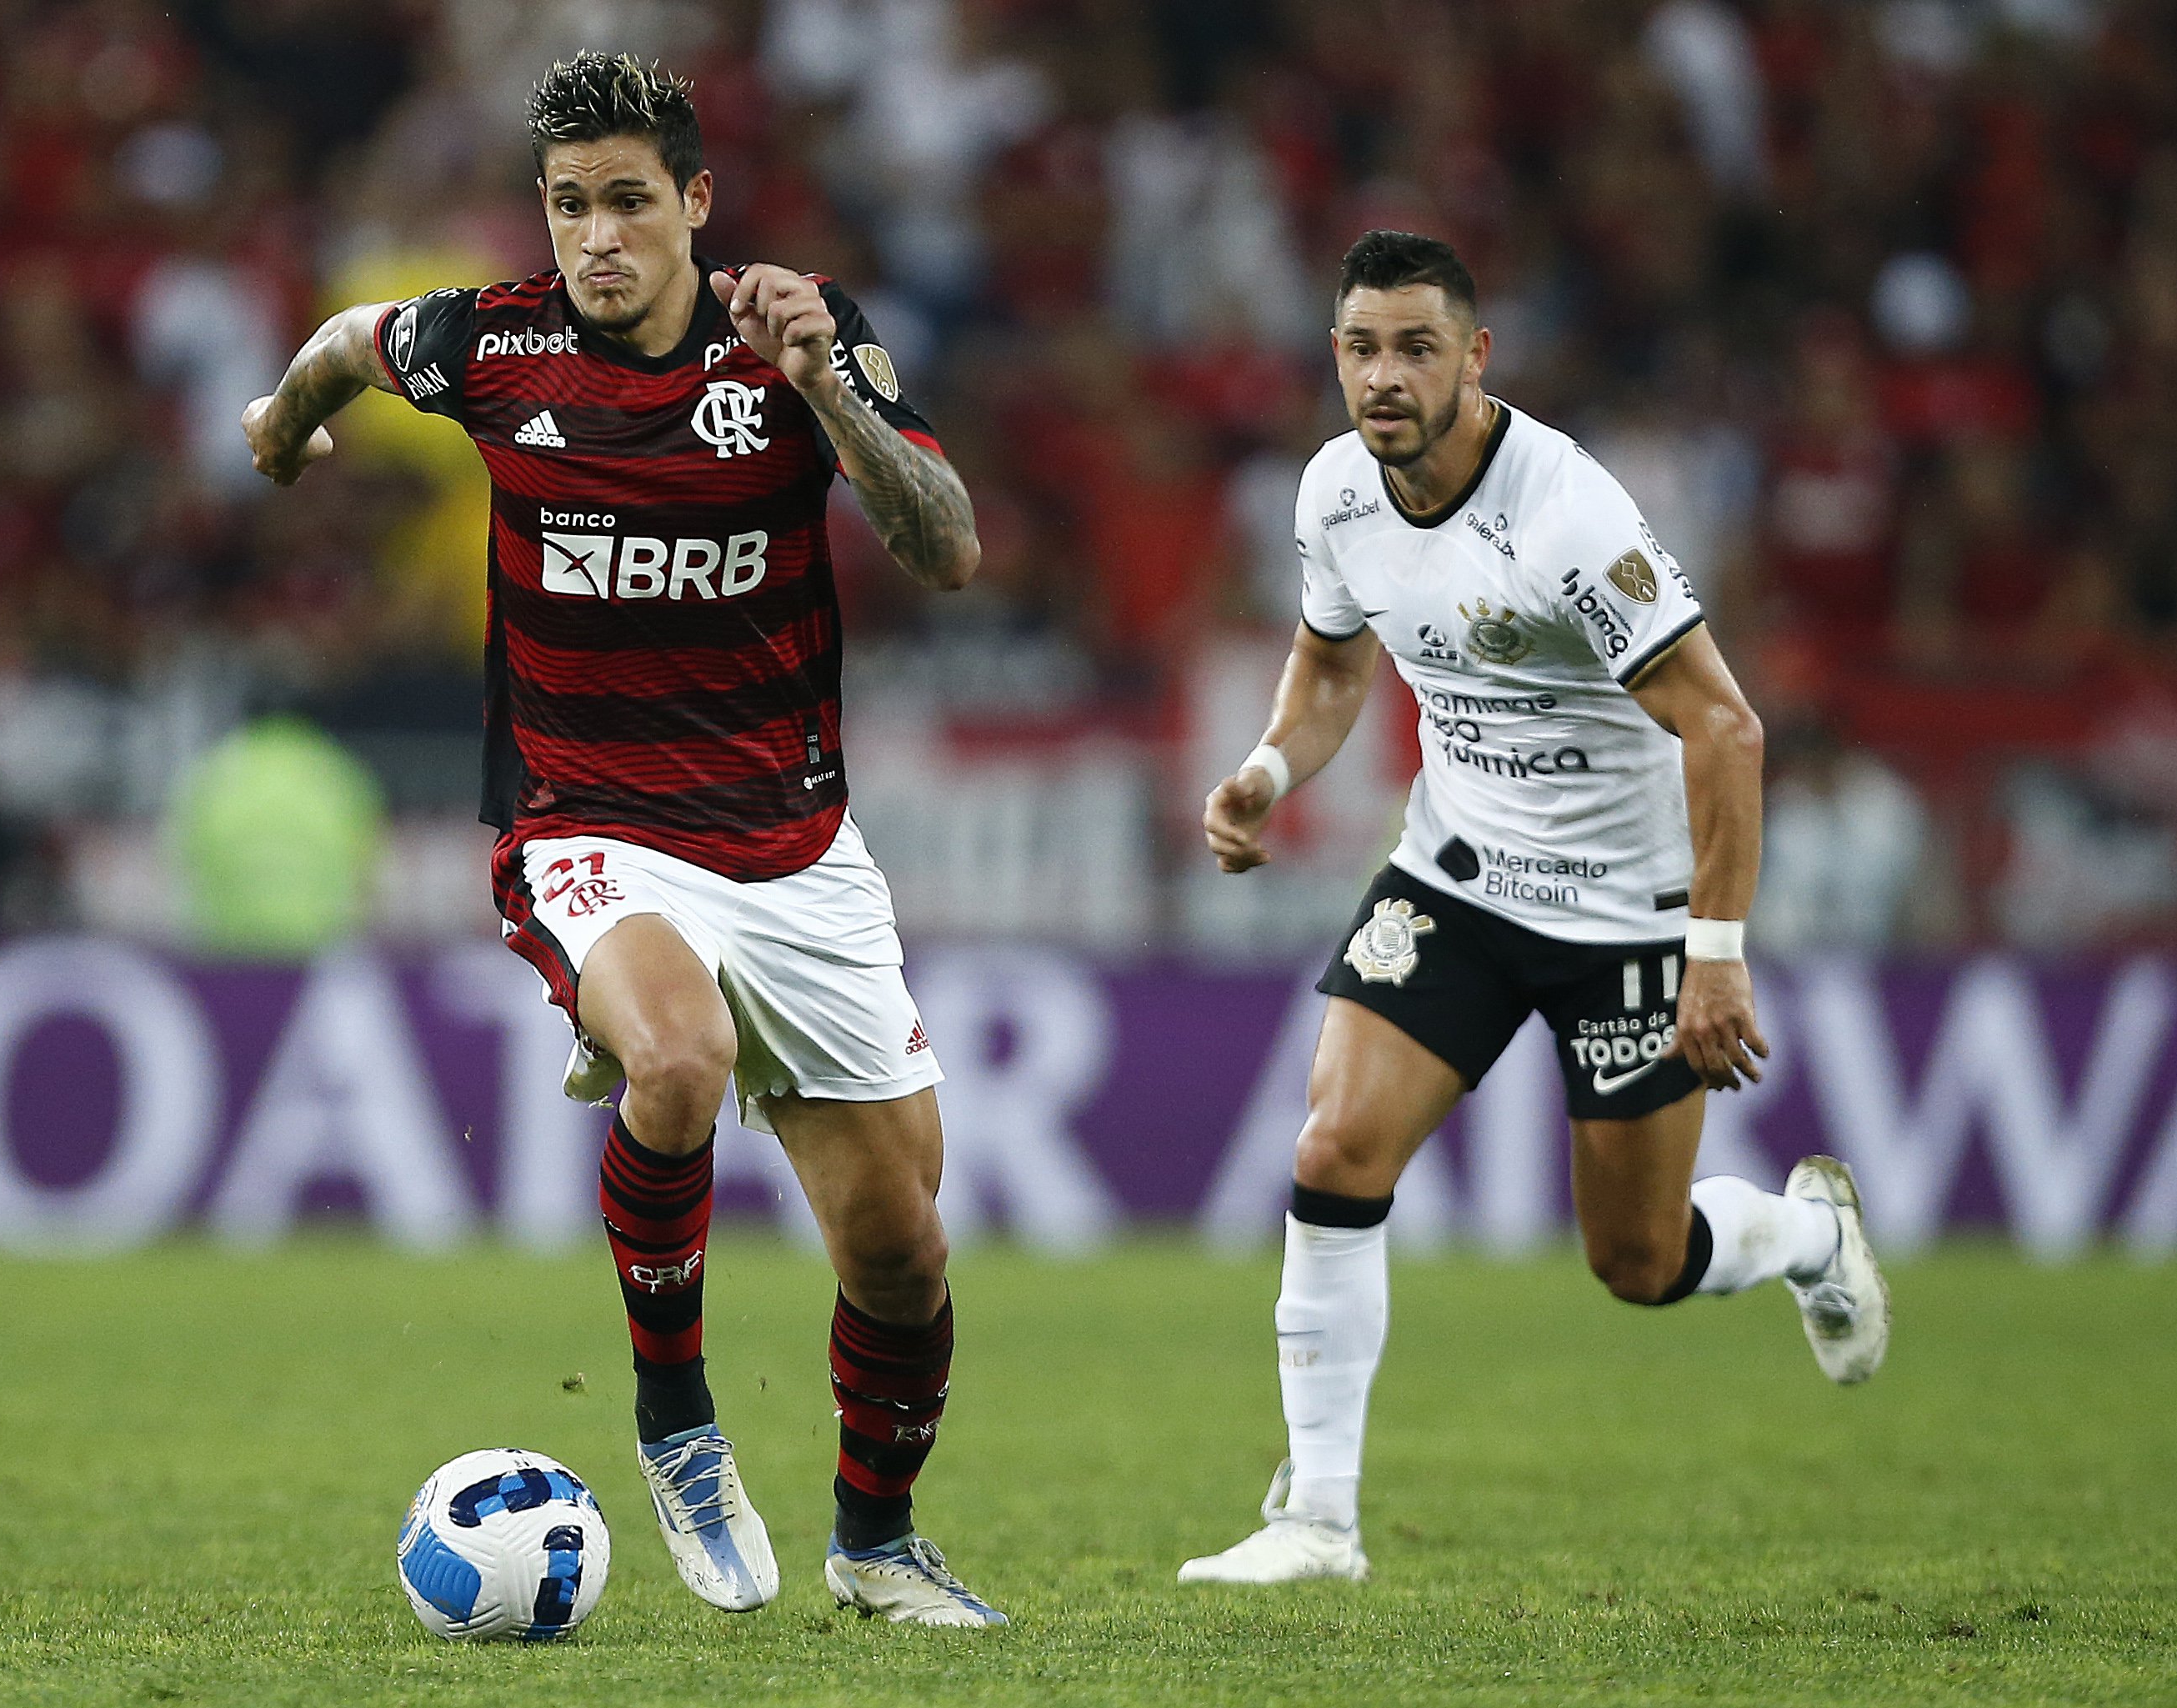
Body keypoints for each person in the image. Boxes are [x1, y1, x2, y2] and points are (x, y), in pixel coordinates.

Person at [241, 53, 1002, 1628]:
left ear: (695, 204)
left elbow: (946, 548)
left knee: (904, 1249)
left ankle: (876, 1542)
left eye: (629, 202)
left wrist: (830, 390)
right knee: (676, 1056)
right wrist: (277, 426)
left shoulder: (792, 337)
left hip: (795, 847)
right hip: (588, 819)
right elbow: (338, 344)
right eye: (571, 203)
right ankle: (677, 1423)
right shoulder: (490, 341)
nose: (597, 236)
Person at [1179, 232, 1892, 1586]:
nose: (1382, 378)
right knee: (1333, 1148)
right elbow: (1330, 665)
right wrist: (1268, 768)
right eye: (1358, 347)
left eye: (1414, 348)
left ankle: (1807, 1234)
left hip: (1625, 911)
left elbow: (1726, 730)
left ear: (1474, 356)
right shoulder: (1334, 492)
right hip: (1456, 874)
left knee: (1633, 1258)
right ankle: (1315, 1518)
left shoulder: (1567, 512)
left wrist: (1714, 955)